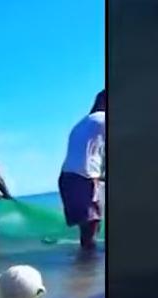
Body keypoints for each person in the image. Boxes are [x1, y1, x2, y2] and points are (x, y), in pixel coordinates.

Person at [59, 89, 106, 250]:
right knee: (91, 226)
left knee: (91, 225)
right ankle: (88, 266)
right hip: (81, 177)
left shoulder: (84, 122)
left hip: (69, 177)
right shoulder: (102, 119)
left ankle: (85, 267)